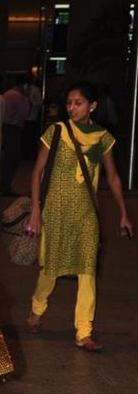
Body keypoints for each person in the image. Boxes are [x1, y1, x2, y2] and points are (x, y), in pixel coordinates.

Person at [26, 81, 133, 352]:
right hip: (56, 211)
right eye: (69, 103)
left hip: (86, 214)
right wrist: (36, 210)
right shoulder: (57, 132)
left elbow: (113, 178)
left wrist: (124, 214)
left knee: (88, 270)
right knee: (51, 268)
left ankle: (83, 331)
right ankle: (37, 309)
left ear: (92, 106)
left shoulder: (102, 138)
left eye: (78, 103)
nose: (72, 108)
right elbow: (37, 171)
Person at [0, 74, 31, 196]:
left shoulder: (7, 94)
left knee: (8, 157)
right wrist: (26, 98)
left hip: (6, 126)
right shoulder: (18, 97)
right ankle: (5, 185)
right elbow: (25, 113)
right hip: (13, 128)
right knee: (13, 158)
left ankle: (3, 184)